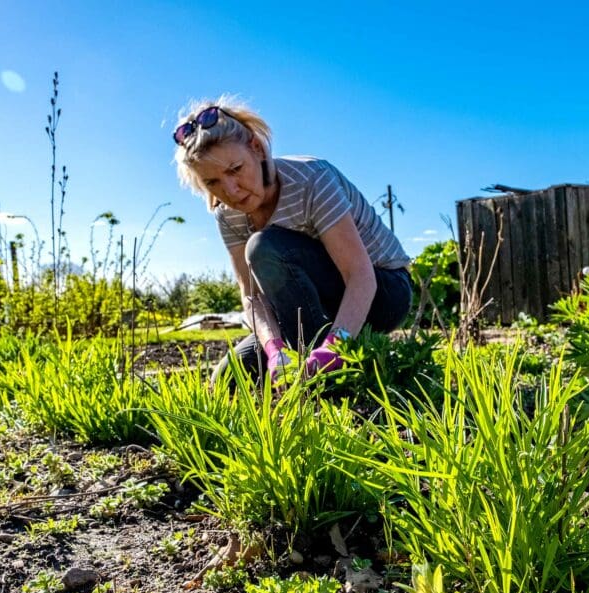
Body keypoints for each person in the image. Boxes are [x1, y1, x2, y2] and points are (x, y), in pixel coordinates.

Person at [172, 97, 412, 385]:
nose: (231, 190)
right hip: (312, 301)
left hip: (383, 290)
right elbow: (251, 296)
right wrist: (274, 349)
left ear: (257, 149)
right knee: (226, 382)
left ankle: (329, 382)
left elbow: (361, 276)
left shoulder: (312, 180)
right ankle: (308, 364)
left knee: (264, 247)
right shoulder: (227, 214)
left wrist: (334, 346)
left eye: (235, 169)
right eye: (212, 182)